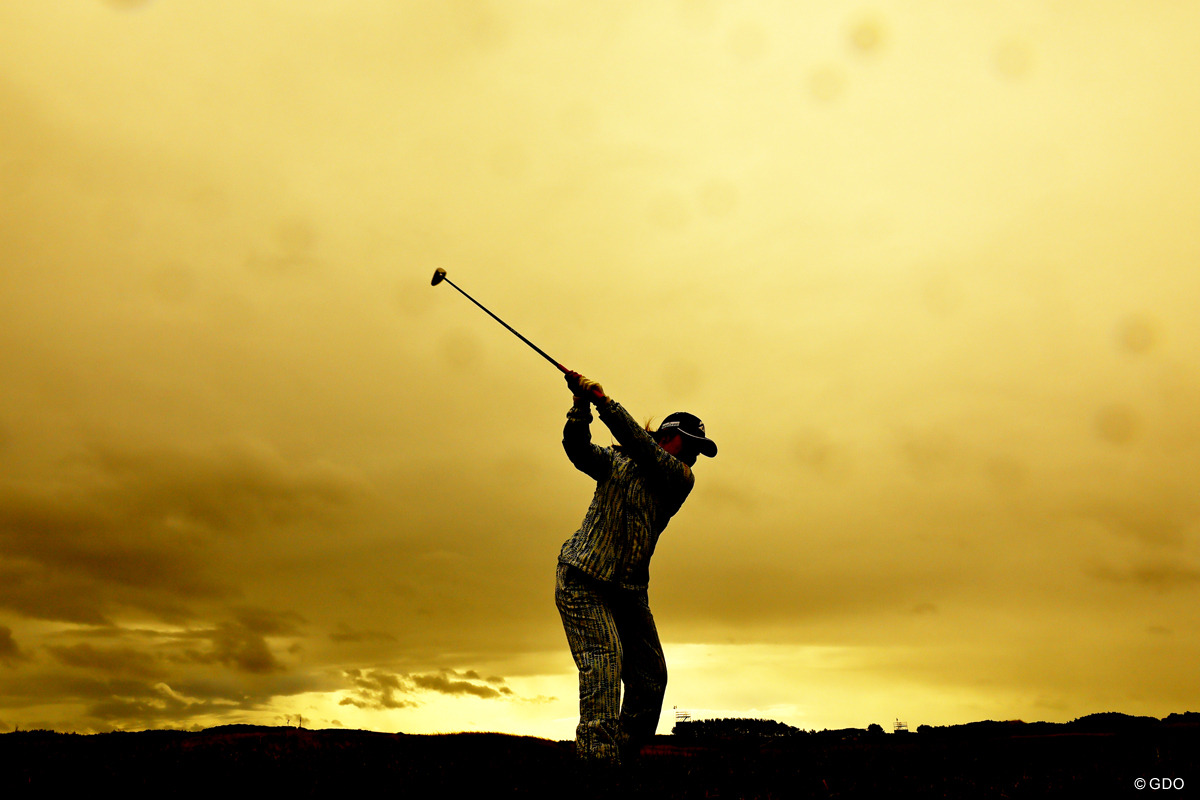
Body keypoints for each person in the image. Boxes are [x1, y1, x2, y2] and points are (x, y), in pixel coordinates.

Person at [556, 370, 717, 768]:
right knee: (604, 660)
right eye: (691, 443)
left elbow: (641, 447)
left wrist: (604, 402)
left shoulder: (679, 477)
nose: (695, 454)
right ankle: (598, 763)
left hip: (628, 591)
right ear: (667, 436)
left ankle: (618, 759)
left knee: (650, 679)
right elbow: (577, 450)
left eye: (700, 448)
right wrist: (580, 406)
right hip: (582, 579)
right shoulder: (616, 461)